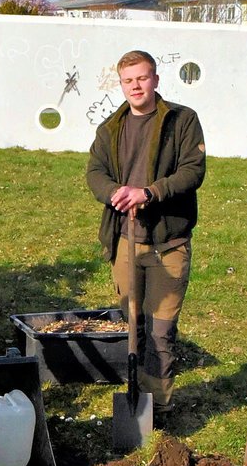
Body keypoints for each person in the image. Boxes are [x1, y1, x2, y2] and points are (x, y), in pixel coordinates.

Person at [85, 49, 206, 414]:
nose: (136, 86)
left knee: (161, 331)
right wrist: (114, 194)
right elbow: (95, 173)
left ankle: (160, 407)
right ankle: (135, 396)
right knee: (132, 324)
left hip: (169, 242)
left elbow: (193, 171)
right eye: (128, 80)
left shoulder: (181, 121)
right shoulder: (110, 128)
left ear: (155, 79)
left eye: (142, 78)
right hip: (125, 239)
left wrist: (150, 193)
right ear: (121, 84)